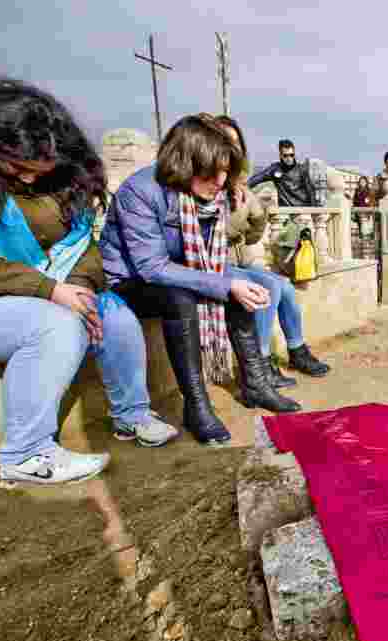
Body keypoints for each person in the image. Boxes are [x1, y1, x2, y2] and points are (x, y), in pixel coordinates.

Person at [0, 76, 179, 485]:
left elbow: (84, 245)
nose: (30, 180)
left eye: (40, 170)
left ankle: (132, 415)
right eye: (18, 169)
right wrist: (48, 290)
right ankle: (25, 452)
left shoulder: (62, 178)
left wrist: (80, 286)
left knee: (112, 312)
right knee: (54, 324)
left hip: (39, 286)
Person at [101, 114, 305, 447]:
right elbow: (152, 267)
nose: (220, 182)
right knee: (183, 297)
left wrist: (232, 284)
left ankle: (254, 382)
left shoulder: (212, 194)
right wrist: (225, 284)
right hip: (132, 280)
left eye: (225, 172)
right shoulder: (139, 192)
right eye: (212, 173)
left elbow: (212, 258)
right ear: (184, 163)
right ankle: (196, 405)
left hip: (181, 270)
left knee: (241, 289)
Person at [214, 117, 330, 389]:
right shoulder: (209, 183)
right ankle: (261, 362)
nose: (230, 149)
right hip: (215, 262)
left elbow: (253, 231)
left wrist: (255, 216)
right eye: (223, 141)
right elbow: (220, 232)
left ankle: (297, 350)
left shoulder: (241, 184)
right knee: (270, 286)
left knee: (286, 287)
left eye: (234, 143)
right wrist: (246, 214)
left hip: (239, 257)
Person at [246, 139, 319, 208]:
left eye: (291, 155)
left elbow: (311, 191)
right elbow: (256, 179)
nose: (289, 158)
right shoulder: (275, 169)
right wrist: (242, 188)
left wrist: (313, 210)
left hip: (302, 209)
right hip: (284, 211)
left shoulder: (302, 169)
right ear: (280, 155)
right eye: (285, 155)